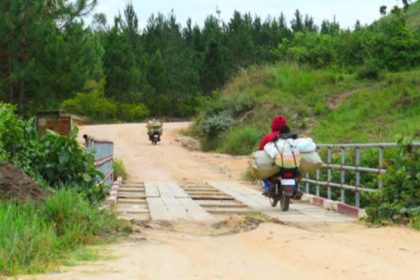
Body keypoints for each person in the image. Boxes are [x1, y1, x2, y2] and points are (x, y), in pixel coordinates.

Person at [258, 115, 289, 195]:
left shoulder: (268, 137)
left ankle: (267, 187)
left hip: (274, 165)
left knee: (260, 171)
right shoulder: (290, 136)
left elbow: (261, 149)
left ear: (273, 125)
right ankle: (295, 188)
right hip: (289, 163)